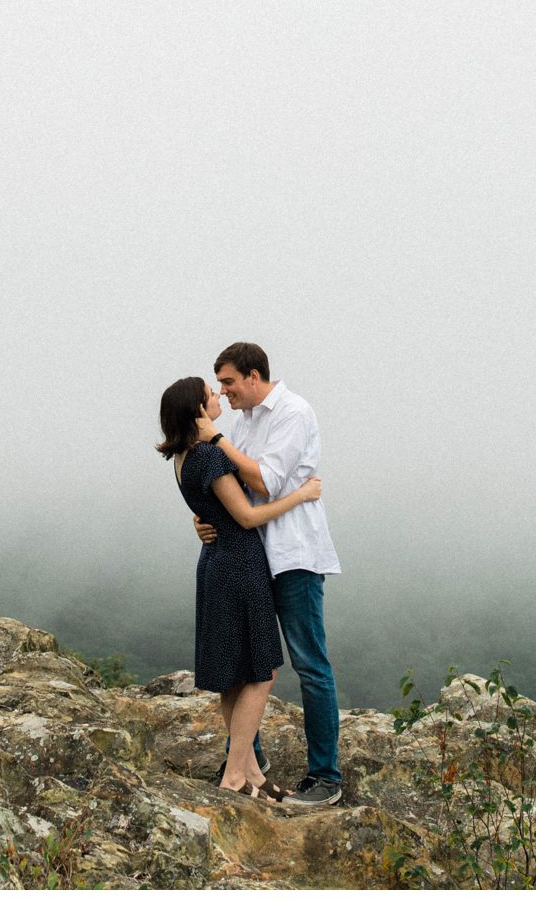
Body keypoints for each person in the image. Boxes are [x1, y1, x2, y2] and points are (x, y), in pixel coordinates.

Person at [157, 374, 323, 800]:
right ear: (196, 410)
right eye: (210, 394)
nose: (217, 397)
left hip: (214, 564)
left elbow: (210, 506)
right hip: (240, 563)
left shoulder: (181, 460)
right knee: (261, 671)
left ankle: (251, 772)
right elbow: (247, 517)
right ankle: (234, 776)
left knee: (233, 675)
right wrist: (302, 495)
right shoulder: (210, 457)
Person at [194, 342, 344, 807]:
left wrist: (216, 440)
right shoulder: (246, 421)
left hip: (294, 556)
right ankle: (245, 764)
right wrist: (206, 519)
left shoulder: (294, 413)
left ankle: (325, 777)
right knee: (245, 662)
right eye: (219, 384)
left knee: (309, 666)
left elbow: (265, 481)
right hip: (252, 557)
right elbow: (233, 487)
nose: (223, 391)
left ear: (254, 376)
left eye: (229, 382)